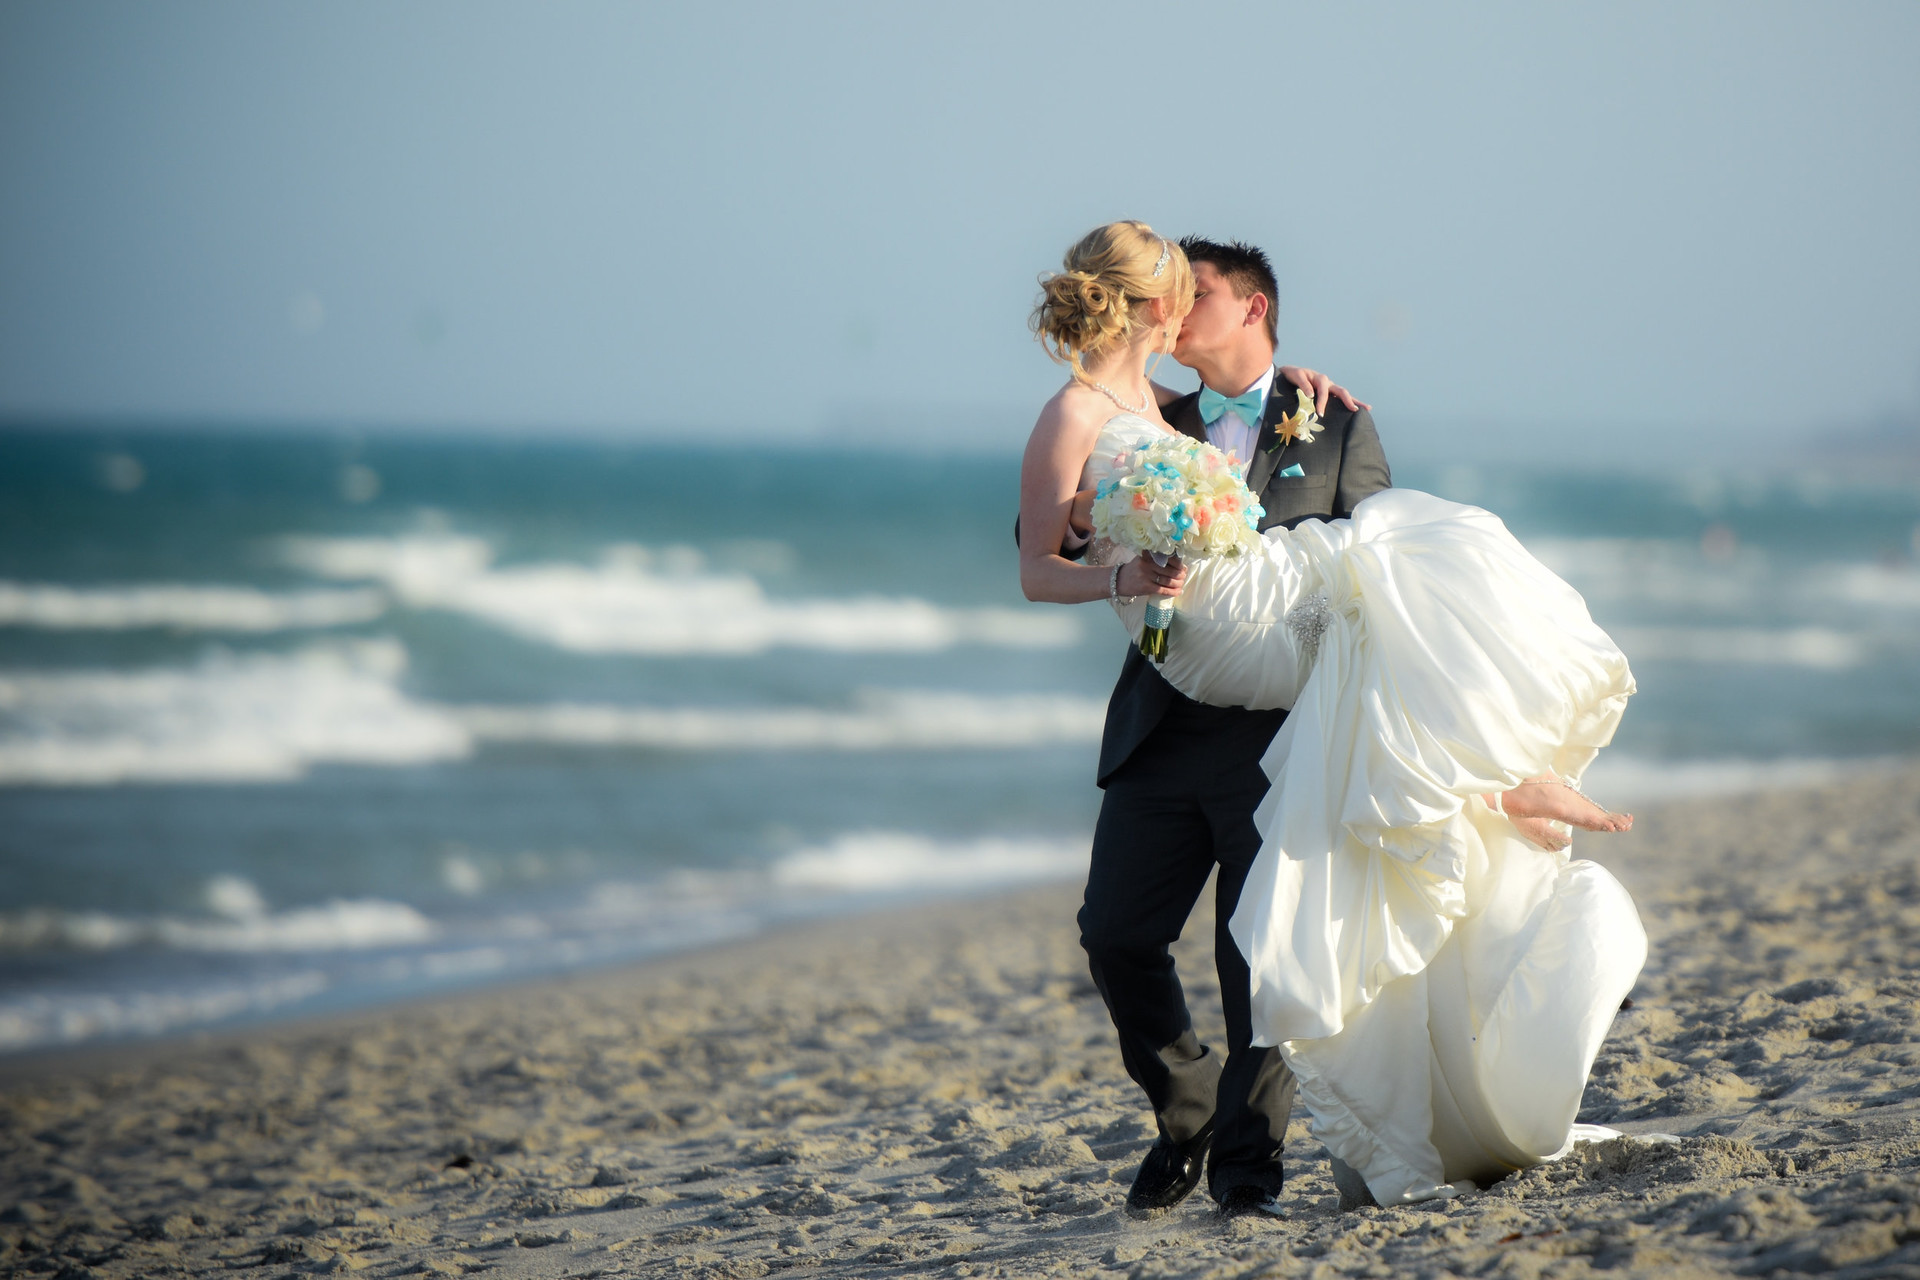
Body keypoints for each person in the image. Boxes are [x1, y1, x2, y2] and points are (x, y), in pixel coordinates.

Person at [1018, 222, 1641, 1218]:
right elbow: (1040, 539)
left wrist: (1284, 395)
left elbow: (1361, 526)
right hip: (1170, 718)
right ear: (1145, 305)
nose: (1185, 309)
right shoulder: (1133, 409)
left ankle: (1246, 1177)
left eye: (1202, 290)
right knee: (1115, 936)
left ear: (1250, 307)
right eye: (1175, 291)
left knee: (1261, 947)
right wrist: (1114, 555)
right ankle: (1187, 1107)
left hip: (1281, 717)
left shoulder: (1332, 420)